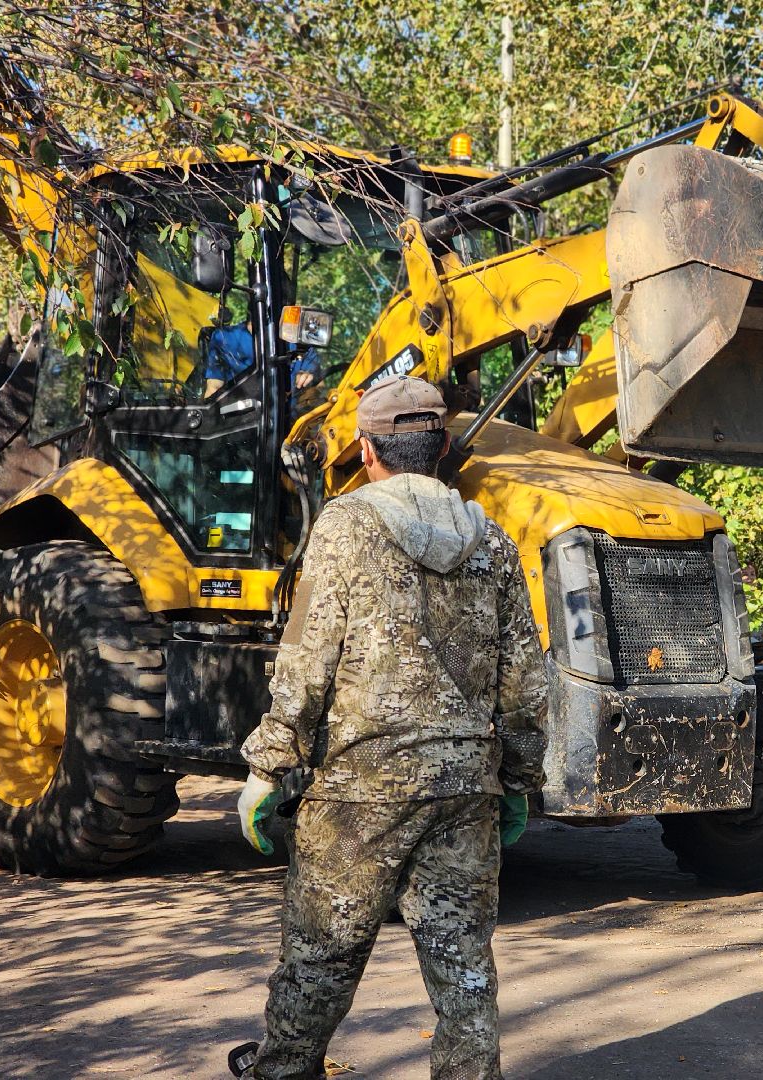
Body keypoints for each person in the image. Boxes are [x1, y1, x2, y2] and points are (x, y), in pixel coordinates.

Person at [230, 375, 549, 1080]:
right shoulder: (491, 542)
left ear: (367, 452)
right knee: (463, 966)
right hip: (466, 787)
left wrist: (265, 770)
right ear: (439, 449)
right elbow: (526, 682)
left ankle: (283, 1070)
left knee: (322, 953)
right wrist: (520, 779)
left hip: (360, 788)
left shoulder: (344, 526)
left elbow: (308, 659)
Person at [203, 321, 322, 400]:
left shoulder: (301, 346)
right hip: (241, 428)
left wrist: (308, 385)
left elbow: (318, 391)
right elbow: (214, 389)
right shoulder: (225, 337)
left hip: (290, 429)